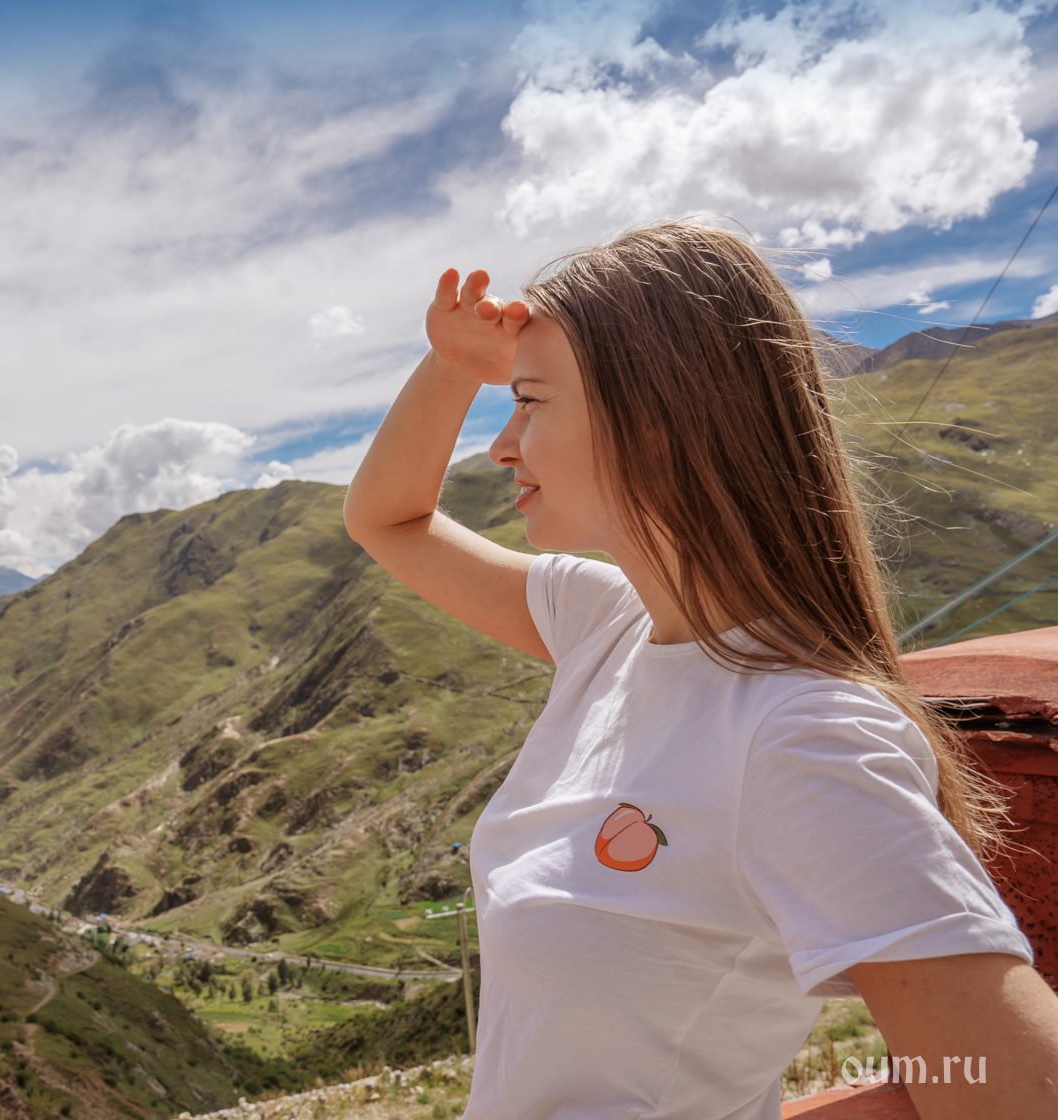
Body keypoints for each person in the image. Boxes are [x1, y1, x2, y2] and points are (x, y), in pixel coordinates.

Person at [342, 221, 1058, 1120]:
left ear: (655, 428)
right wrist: (453, 364)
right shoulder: (604, 623)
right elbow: (387, 519)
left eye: (529, 402)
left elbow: (1012, 1088)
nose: (502, 445)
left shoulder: (804, 735)